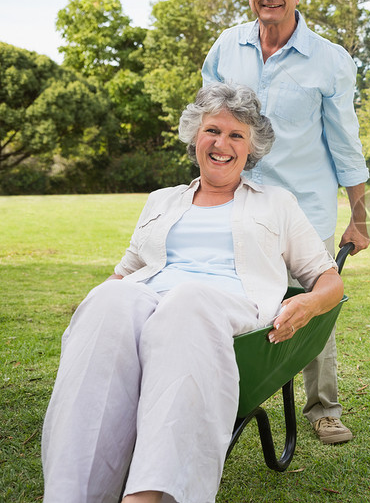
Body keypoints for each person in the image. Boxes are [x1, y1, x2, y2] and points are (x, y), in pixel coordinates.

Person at [41, 83, 344, 503]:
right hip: (149, 307)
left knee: (187, 300)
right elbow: (125, 273)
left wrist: (309, 303)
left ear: (251, 147)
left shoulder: (276, 203)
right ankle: (71, 496)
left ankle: (149, 497)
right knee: (110, 299)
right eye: (213, 131)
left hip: (225, 314)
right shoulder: (161, 201)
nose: (222, 144)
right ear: (194, 137)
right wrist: (92, 312)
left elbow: (330, 280)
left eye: (237, 135)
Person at [202, 0, 369, 445]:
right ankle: (216, 392)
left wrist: (359, 216)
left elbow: (345, 142)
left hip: (304, 209)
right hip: (237, 205)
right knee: (222, 296)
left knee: (313, 299)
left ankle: (323, 408)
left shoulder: (329, 61)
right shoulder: (225, 49)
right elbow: (208, 129)